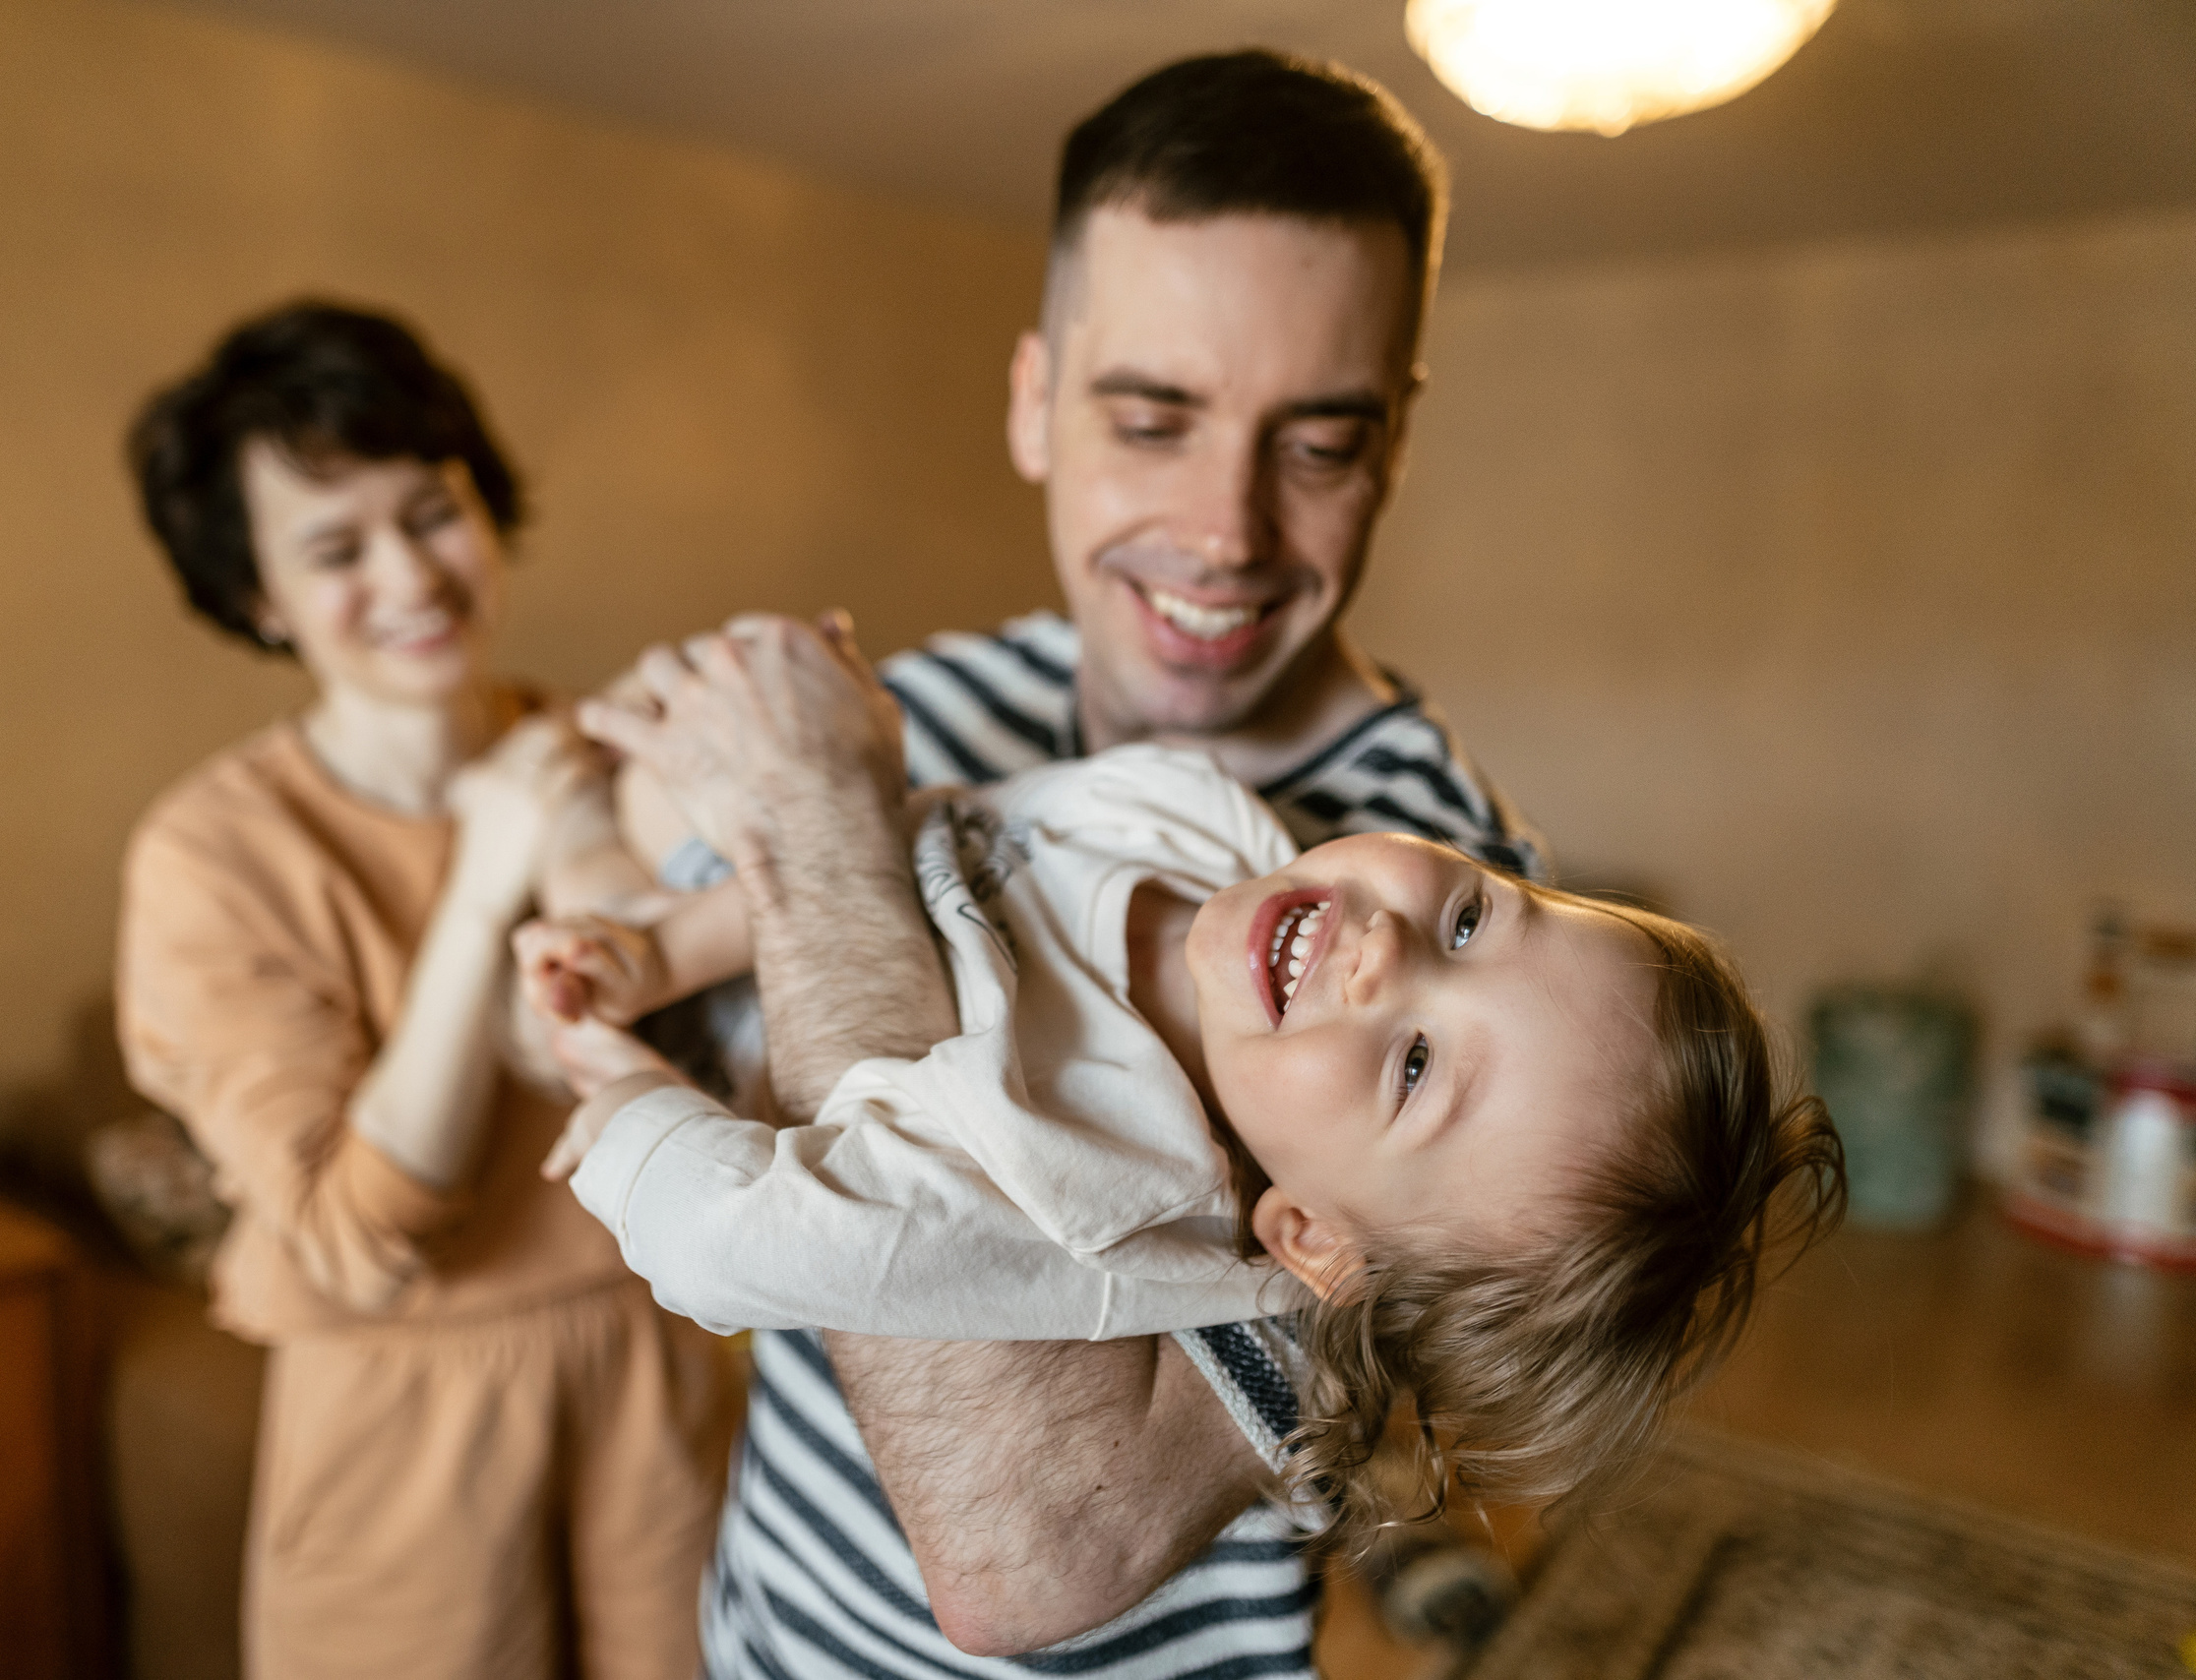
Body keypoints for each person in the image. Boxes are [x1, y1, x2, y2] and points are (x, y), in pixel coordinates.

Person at [546, 50, 1577, 1676]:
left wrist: (817, 837)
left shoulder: (1419, 947)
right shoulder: (939, 702)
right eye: (1152, 418)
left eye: (1315, 442)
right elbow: (630, 1003)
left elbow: (1030, 1547)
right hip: (772, 1633)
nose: (1225, 531)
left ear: (1394, 444)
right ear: (1033, 402)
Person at [526, 730, 1843, 1560]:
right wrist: (659, 943)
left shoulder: (1089, 1179)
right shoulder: (1196, 813)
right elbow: (924, 837)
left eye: (1417, 1065)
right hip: (702, 918)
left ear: (1309, 1235)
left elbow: (730, 1239)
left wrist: (612, 1081)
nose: (1384, 950)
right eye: (1472, 925)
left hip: (664, 1050)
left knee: (554, 842)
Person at [113, 301, 736, 1680]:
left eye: (431, 510)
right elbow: (363, 1224)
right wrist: (485, 866)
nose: (408, 572)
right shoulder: (208, 853)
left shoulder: (601, 744)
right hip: (404, 1402)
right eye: (336, 547)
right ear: (259, 596)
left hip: (662, 1357)